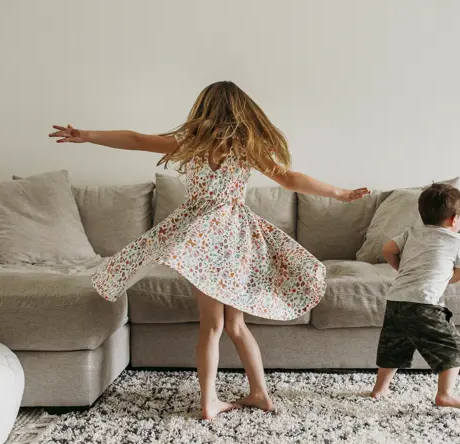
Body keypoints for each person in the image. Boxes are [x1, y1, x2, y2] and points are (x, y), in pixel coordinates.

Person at [49, 81, 369, 419]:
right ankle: (259, 393)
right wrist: (338, 193)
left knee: (212, 326)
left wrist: (87, 135)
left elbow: (136, 139)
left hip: (202, 240)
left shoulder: (189, 144)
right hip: (234, 239)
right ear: (242, 112)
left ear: (203, 109)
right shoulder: (245, 148)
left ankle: (211, 401)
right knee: (236, 325)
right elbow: (290, 179)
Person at [370, 183, 460, 411]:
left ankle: (380, 389)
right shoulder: (457, 241)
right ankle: (445, 394)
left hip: (396, 299)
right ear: (454, 219)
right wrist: (443, 279)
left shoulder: (411, 232)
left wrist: (401, 268)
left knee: (393, 346)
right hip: (424, 303)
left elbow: (387, 249)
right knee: (451, 347)